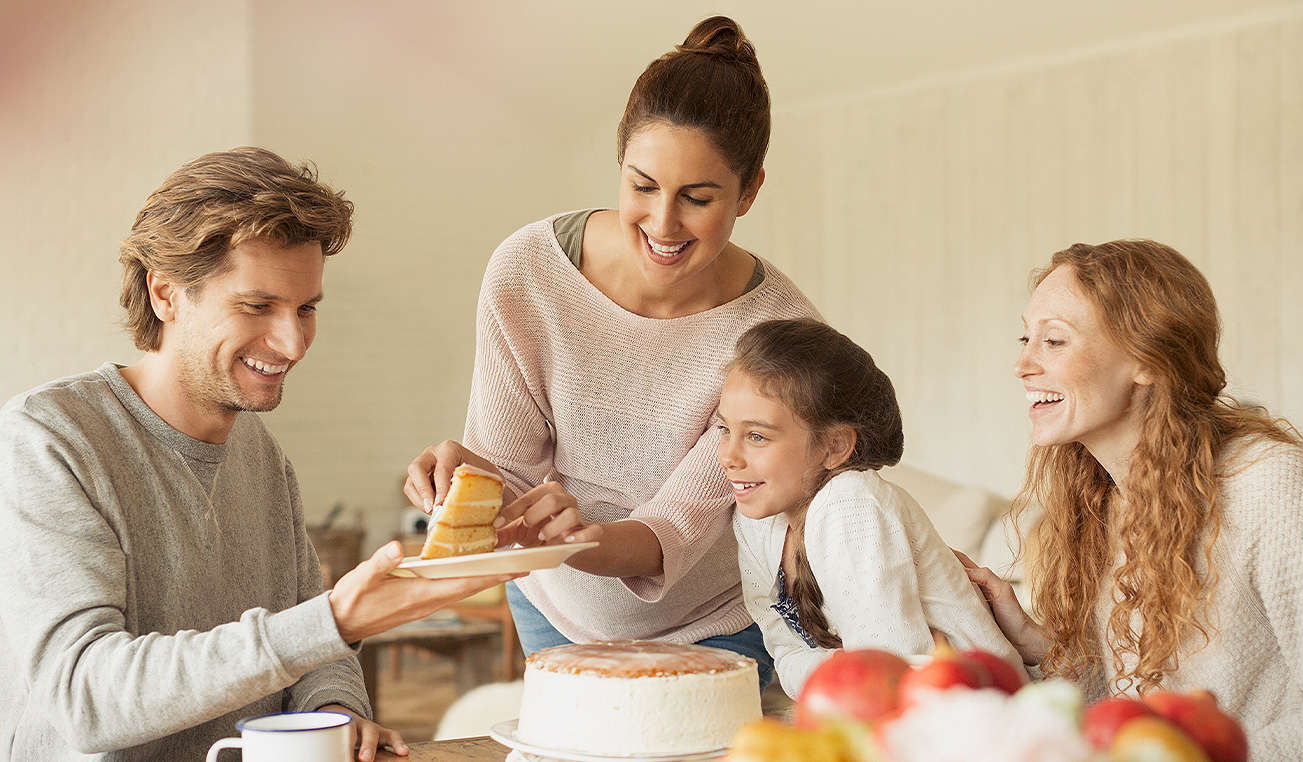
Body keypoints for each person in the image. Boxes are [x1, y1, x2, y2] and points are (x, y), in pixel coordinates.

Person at [0, 147, 520, 762]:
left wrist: (335, 712)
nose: (293, 342)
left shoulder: (259, 452)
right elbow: (81, 699)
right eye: (256, 307)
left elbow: (309, 648)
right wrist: (335, 619)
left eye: (305, 309)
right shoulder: (50, 438)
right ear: (166, 294)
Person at [403, 16, 817, 687]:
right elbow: (507, 471)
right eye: (642, 185)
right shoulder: (529, 274)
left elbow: (671, 528)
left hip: (719, 624)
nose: (661, 224)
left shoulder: (780, 339)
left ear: (750, 190)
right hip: (553, 608)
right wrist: (465, 473)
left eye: (698, 198)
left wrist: (573, 539)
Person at [960, 239, 1303, 757]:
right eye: (1025, 336)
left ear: (1146, 359)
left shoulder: (1271, 484)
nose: (1022, 364)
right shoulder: (1103, 500)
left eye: (1054, 341)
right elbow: (1127, 702)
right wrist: (1032, 641)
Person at [718, 319, 1021, 697]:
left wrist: (840, 668)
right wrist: (844, 667)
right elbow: (785, 654)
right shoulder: (756, 522)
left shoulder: (852, 504)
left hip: (980, 713)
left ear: (834, 446)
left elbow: (888, 673)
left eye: (757, 436)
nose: (728, 456)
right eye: (724, 429)